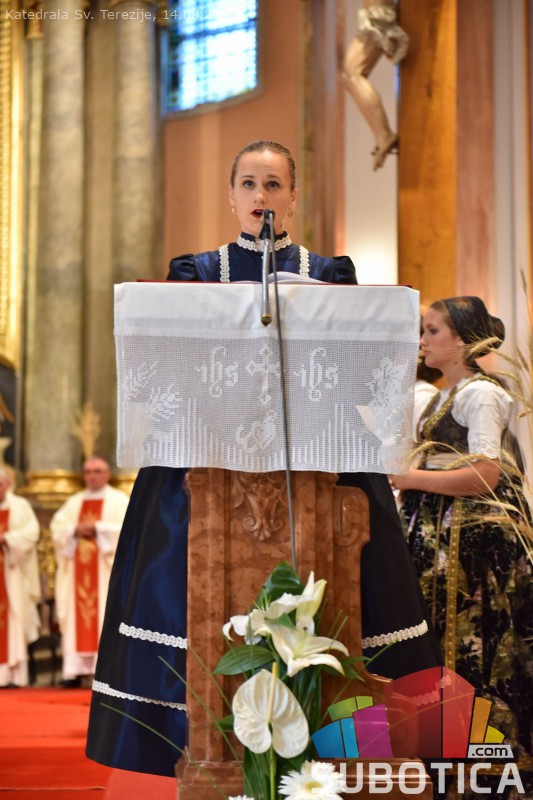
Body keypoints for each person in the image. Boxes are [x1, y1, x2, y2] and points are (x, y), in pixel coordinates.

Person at [86, 140, 439, 777]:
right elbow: (171, 371)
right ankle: (196, 735)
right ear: (231, 196)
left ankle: (344, 737)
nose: (261, 196)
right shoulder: (195, 273)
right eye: (249, 184)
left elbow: (356, 374)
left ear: (293, 197)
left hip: (314, 459)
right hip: (210, 461)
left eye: (273, 185)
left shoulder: (330, 274)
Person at [392, 297, 532, 773]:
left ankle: (482, 760)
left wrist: (411, 479)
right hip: (440, 528)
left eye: (433, 331)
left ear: (463, 340)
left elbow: (487, 474)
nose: (423, 340)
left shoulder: (481, 394)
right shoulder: (444, 395)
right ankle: (443, 750)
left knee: (474, 636)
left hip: (472, 537)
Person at [50, 456, 129, 686]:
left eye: (97, 471)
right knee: (76, 620)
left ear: (107, 474)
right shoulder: (74, 502)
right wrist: (74, 530)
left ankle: (104, 671)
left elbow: (127, 531)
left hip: (105, 573)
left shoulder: (119, 500)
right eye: (88, 472)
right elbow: (57, 529)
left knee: (105, 614)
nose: (92, 476)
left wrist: (98, 528)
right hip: (77, 570)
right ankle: (75, 672)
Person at [343, 0, 409, 171]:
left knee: (352, 74)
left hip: (379, 13)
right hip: (376, 13)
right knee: (351, 74)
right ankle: (383, 133)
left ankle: (383, 134)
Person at [0, 468, 41, 687]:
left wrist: (7, 539)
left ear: (8, 485)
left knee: (13, 620)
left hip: (12, 572)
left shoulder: (20, 506)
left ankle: (13, 675)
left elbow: (31, 533)